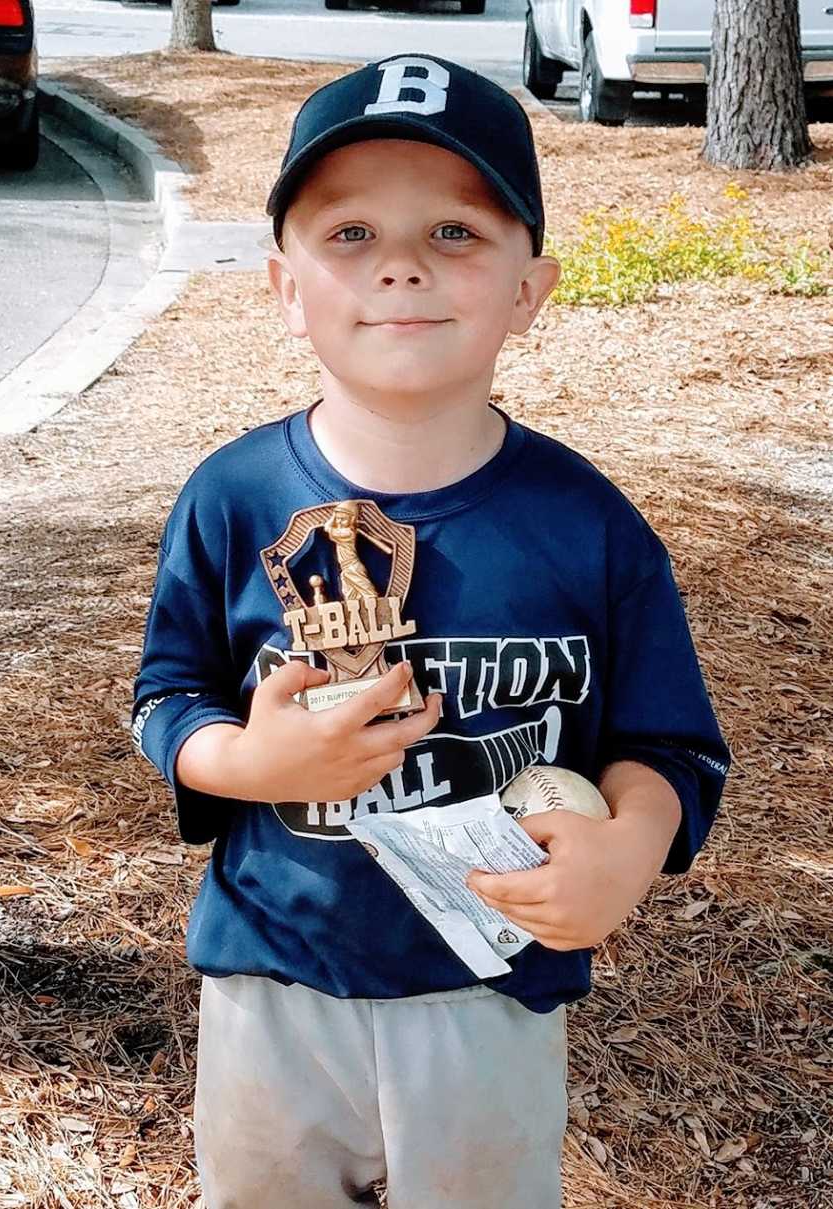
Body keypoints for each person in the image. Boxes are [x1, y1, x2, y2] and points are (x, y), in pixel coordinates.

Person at [131, 53, 731, 1209]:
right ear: (284, 286)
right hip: (273, 982)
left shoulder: (588, 524)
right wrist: (245, 760)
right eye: (348, 233)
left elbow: (671, 747)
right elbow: (168, 696)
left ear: (529, 288)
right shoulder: (234, 495)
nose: (401, 263)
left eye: (455, 232)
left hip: (488, 990)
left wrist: (626, 852)